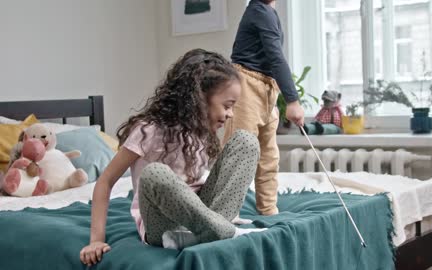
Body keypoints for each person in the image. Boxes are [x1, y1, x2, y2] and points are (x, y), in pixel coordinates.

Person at [80, 49, 266, 267]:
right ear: (198, 99)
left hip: (202, 213)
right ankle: (221, 230)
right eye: (227, 105)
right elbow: (105, 182)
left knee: (246, 140)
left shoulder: (199, 131)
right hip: (164, 226)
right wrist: (96, 240)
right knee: (154, 174)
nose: (231, 114)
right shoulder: (147, 131)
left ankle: (213, 229)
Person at [223, 0, 305, 216]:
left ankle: (268, 209)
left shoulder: (269, 12)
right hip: (247, 85)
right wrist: (293, 101)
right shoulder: (259, 11)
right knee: (238, 152)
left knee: (269, 155)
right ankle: (226, 213)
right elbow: (276, 57)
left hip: (267, 88)